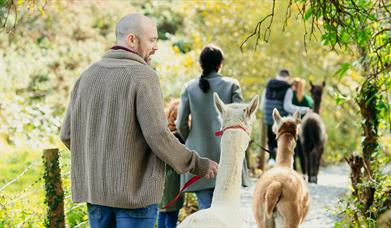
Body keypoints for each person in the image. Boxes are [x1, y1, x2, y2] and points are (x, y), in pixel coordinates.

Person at [60, 13, 218, 228]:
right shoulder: (143, 76)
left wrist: (100, 163)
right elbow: (158, 136)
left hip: (96, 194)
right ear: (132, 40)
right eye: (152, 40)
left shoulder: (86, 76)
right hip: (134, 196)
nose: (156, 47)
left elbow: (67, 134)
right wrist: (197, 164)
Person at [176, 44, 249, 210]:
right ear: (220, 63)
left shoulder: (189, 87)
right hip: (227, 155)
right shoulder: (232, 85)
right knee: (226, 208)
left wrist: (192, 139)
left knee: (205, 207)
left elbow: (180, 123)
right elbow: (241, 120)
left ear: (201, 64)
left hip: (199, 156)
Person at [261, 69, 310, 164]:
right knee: (281, 142)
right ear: (287, 78)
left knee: (271, 141)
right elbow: (287, 107)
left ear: (277, 75)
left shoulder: (268, 86)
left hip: (268, 118)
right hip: (281, 120)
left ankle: (271, 159)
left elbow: (262, 105)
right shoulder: (288, 88)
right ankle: (281, 162)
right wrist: (305, 109)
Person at [158, 99, 184, 228]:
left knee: (163, 214)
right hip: (173, 180)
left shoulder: (163, 133)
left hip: (161, 178)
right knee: (171, 216)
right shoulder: (179, 136)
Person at [291, 78, 313, 173]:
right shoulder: (307, 100)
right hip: (304, 128)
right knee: (302, 151)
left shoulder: (291, 98)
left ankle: (294, 171)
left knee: (294, 151)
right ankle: (305, 172)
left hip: (294, 127)